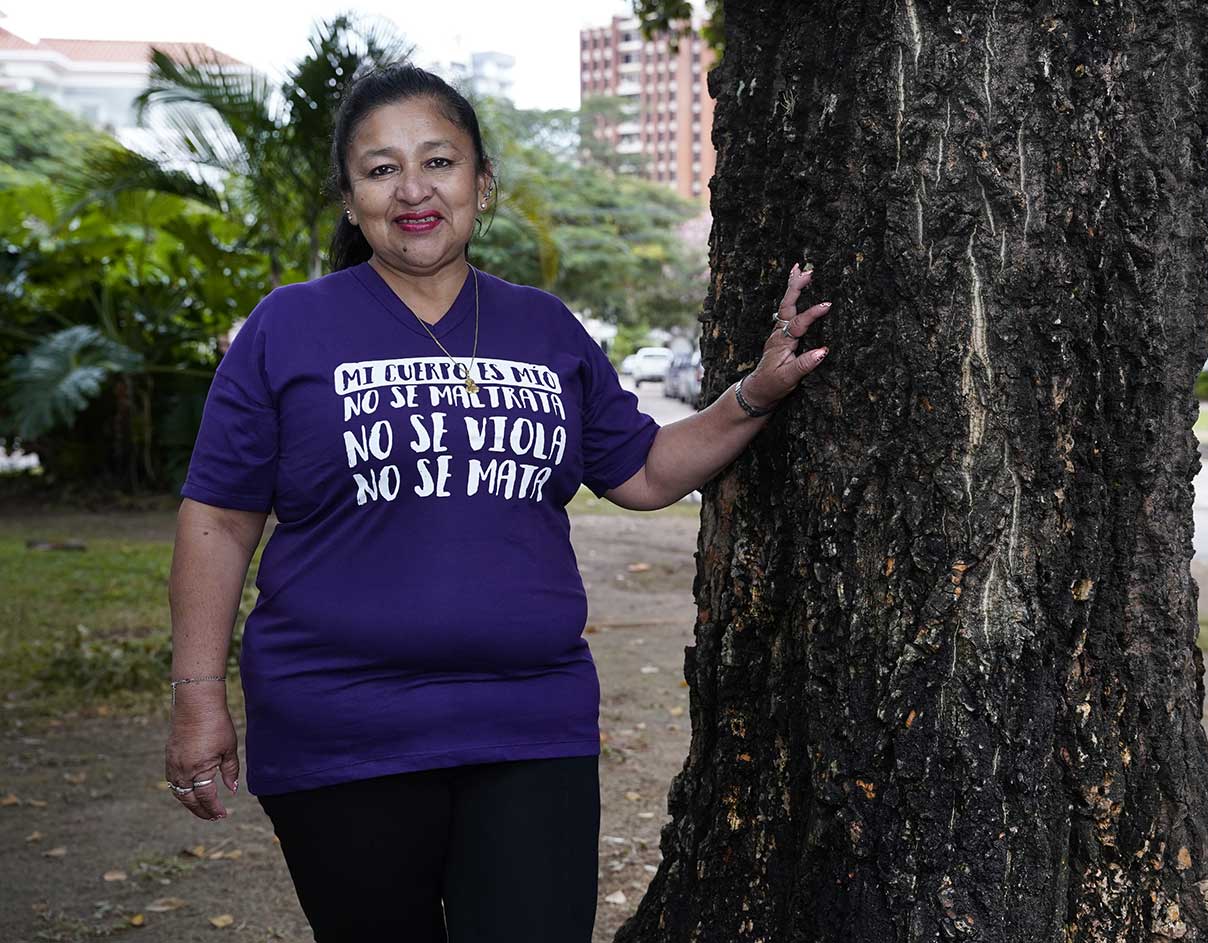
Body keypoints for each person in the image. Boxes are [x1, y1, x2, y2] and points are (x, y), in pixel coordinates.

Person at [165, 64, 832, 942]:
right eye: (380, 169)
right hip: (341, 727)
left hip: (530, 721)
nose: (413, 190)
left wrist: (757, 390)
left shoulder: (546, 328)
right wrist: (196, 694)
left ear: (482, 182)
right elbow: (217, 519)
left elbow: (645, 472)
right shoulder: (287, 328)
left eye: (438, 162)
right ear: (350, 195)